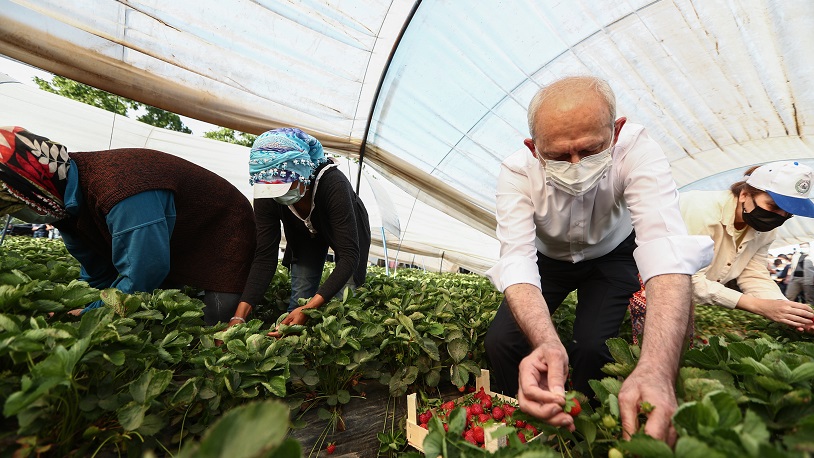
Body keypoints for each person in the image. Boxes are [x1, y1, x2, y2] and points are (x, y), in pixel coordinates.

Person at [484, 76, 713, 443]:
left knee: (593, 346)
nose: (576, 165)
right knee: (501, 340)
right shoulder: (516, 173)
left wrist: (655, 369)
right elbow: (517, 260)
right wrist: (545, 341)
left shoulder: (637, 150)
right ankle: (525, 419)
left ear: (616, 131)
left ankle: (583, 427)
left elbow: (666, 250)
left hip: (611, 256)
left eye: (590, 151)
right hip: (550, 261)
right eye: (558, 155)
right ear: (533, 148)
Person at [0, 126, 256, 326]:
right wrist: (81, 304)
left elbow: (145, 271)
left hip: (223, 226)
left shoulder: (120, 189)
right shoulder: (61, 204)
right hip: (174, 234)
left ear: (38, 186)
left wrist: (91, 315)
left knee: (216, 321)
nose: (23, 214)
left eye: (20, 203)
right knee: (155, 303)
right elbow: (96, 272)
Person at [629, 162, 814, 340]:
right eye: (773, 207)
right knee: (650, 353)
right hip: (643, 283)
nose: (778, 217)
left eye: (788, 214)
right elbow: (685, 279)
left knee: (675, 352)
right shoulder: (700, 210)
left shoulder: (765, 230)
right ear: (744, 195)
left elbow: (754, 274)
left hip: (678, 298)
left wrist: (785, 309)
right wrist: (759, 306)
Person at [229, 128, 371, 337]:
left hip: (345, 229)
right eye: (269, 188)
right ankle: (296, 346)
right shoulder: (267, 192)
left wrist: (309, 309)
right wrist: (239, 316)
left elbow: (349, 256)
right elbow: (265, 256)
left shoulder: (333, 184)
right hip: (304, 233)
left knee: (343, 300)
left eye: (283, 186)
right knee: (300, 296)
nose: (275, 193)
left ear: (302, 174)